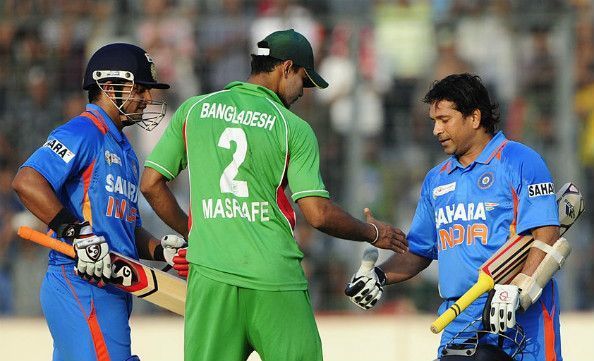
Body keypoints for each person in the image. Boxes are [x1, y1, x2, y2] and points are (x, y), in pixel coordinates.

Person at [140, 29, 407, 361]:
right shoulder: (291, 126)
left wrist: (193, 234)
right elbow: (318, 214)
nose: (302, 93)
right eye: (304, 81)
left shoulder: (194, 110)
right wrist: (373, 232)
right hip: (273, 277)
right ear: (287, 68)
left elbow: (151, 184)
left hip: (209, 276)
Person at [346, 73, 564, 361]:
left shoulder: (519, 160)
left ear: (474, 118)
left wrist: (517, 288)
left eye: (445, 120)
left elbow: (547, 236)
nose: (436, 130)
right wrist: (380, 276)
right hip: (460, 322)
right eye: (434, 121)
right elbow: (420, 251)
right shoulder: (436, 179)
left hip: (522, 319)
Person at [12, 43, 187, 361]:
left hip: (112, 287)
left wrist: (161, 251)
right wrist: (76, 233)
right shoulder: (82, 131)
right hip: (81, 281)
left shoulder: (127, 153)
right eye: (141, 88)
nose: (147, 98)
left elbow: (126, 228)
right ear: (110, 87)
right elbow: (27, 181)